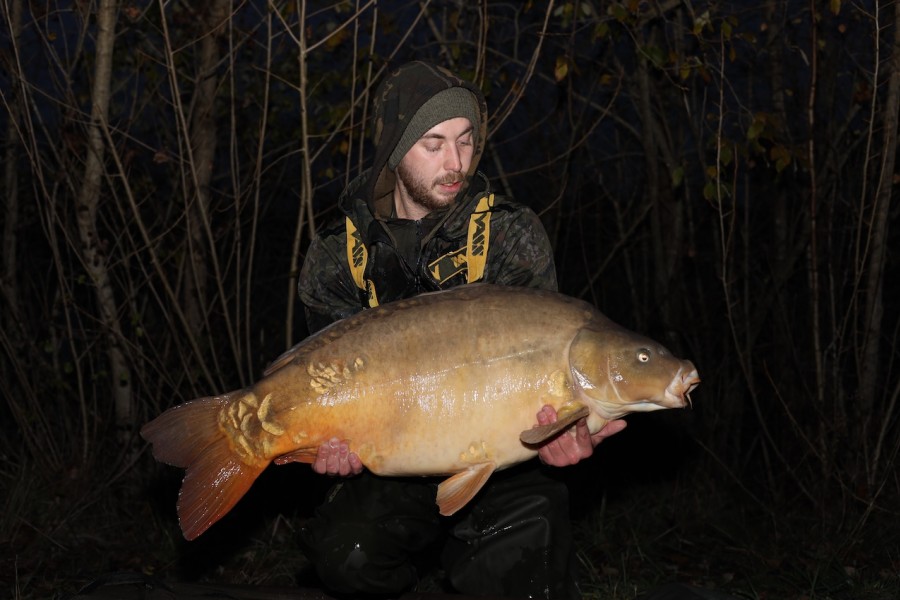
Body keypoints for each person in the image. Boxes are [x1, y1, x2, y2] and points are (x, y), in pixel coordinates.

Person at [296, 61, 626, 600]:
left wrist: (562, 432)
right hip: (392, 466)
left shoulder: (509, 233)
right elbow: (330, 386)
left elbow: (546, 377)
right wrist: (328, 445)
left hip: (506, 464)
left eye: (466, 142)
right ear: (392, 150)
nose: (456, 164)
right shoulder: (338, 253)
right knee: (346, 557)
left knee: (528, 563)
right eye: (433, 144)